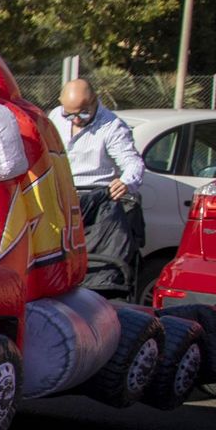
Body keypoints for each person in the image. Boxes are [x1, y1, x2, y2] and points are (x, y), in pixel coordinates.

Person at [49, 78, 145, 297]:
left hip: (97, 199)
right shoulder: (56, 116)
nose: (75, 120)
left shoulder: (111, 126)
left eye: (82, 113)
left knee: (100, 263)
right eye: (69, 114)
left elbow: (133, 163)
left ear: (95, 101)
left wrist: (126, 181)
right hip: (61, 197)